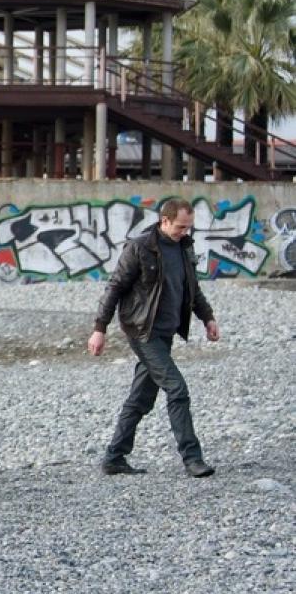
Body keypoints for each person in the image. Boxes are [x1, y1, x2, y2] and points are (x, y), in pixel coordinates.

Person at [88, 199, 218, 479]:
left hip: (166, 332)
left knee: (141, 398)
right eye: (181, 227)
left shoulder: (184, 247)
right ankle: (192, 459)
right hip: (142, 331)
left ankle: (114, 457)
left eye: (189, 227)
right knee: (177, 389)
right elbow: (115, 287)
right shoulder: (140, 247)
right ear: (165, 221)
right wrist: (100, 328)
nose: (185, 232)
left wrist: (207, 318)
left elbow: (192, 288)